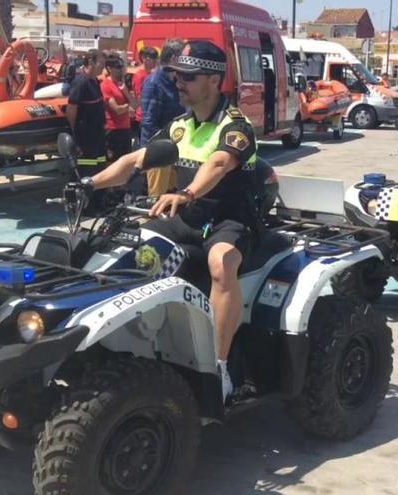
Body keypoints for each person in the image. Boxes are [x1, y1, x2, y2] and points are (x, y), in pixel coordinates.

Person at [78, 40, 258, 401]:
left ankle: (219, 368)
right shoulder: (180, 127)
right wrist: (88, 183)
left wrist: (187, 193)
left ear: (213, 80)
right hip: (185, 216)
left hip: (229, 221)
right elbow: (134, 161)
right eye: (176, 75)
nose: (179, 83)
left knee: (221, 263)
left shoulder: (236, 126)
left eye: (188, 77)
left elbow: (219, 163)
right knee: (124, 243)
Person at [140, 38, 186, 196]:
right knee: (157, 200)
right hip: (159, 152)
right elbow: (149, 121)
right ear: (174, 59)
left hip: (176, 149)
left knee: (173, 197)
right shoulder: (154, 84)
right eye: (185, 58)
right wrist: (152, 153)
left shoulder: (175, 82)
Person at [66, 49, 108, 211]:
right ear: (90, 62)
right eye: (101, 64)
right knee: (87, 171)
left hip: (97, 137)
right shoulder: (81, 82)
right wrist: (76, 135)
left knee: (99, 169)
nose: (103, 68)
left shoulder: (93, 81)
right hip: (86, 139)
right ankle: (84, 207)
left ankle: (97, 203)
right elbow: (72, 111)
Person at [101, 54, 138, 163]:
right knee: (113, 162)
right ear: (109, 69)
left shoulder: (123, 84)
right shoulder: (106, 85)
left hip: (125, 128)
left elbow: (135, 105)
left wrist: (125, 90)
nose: (121, 70)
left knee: (126, 161)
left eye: (121, 67)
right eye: (117, 67)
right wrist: (128, 106)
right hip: (113, 129)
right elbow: (116, 110)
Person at [131, 46, 158, 139]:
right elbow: (140, 98)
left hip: (153, 114)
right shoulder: (139, 76)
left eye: (155, 58)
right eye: (152, 58)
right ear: (144, 58)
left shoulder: (153, 74)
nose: (155, 61)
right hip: (143, 116)